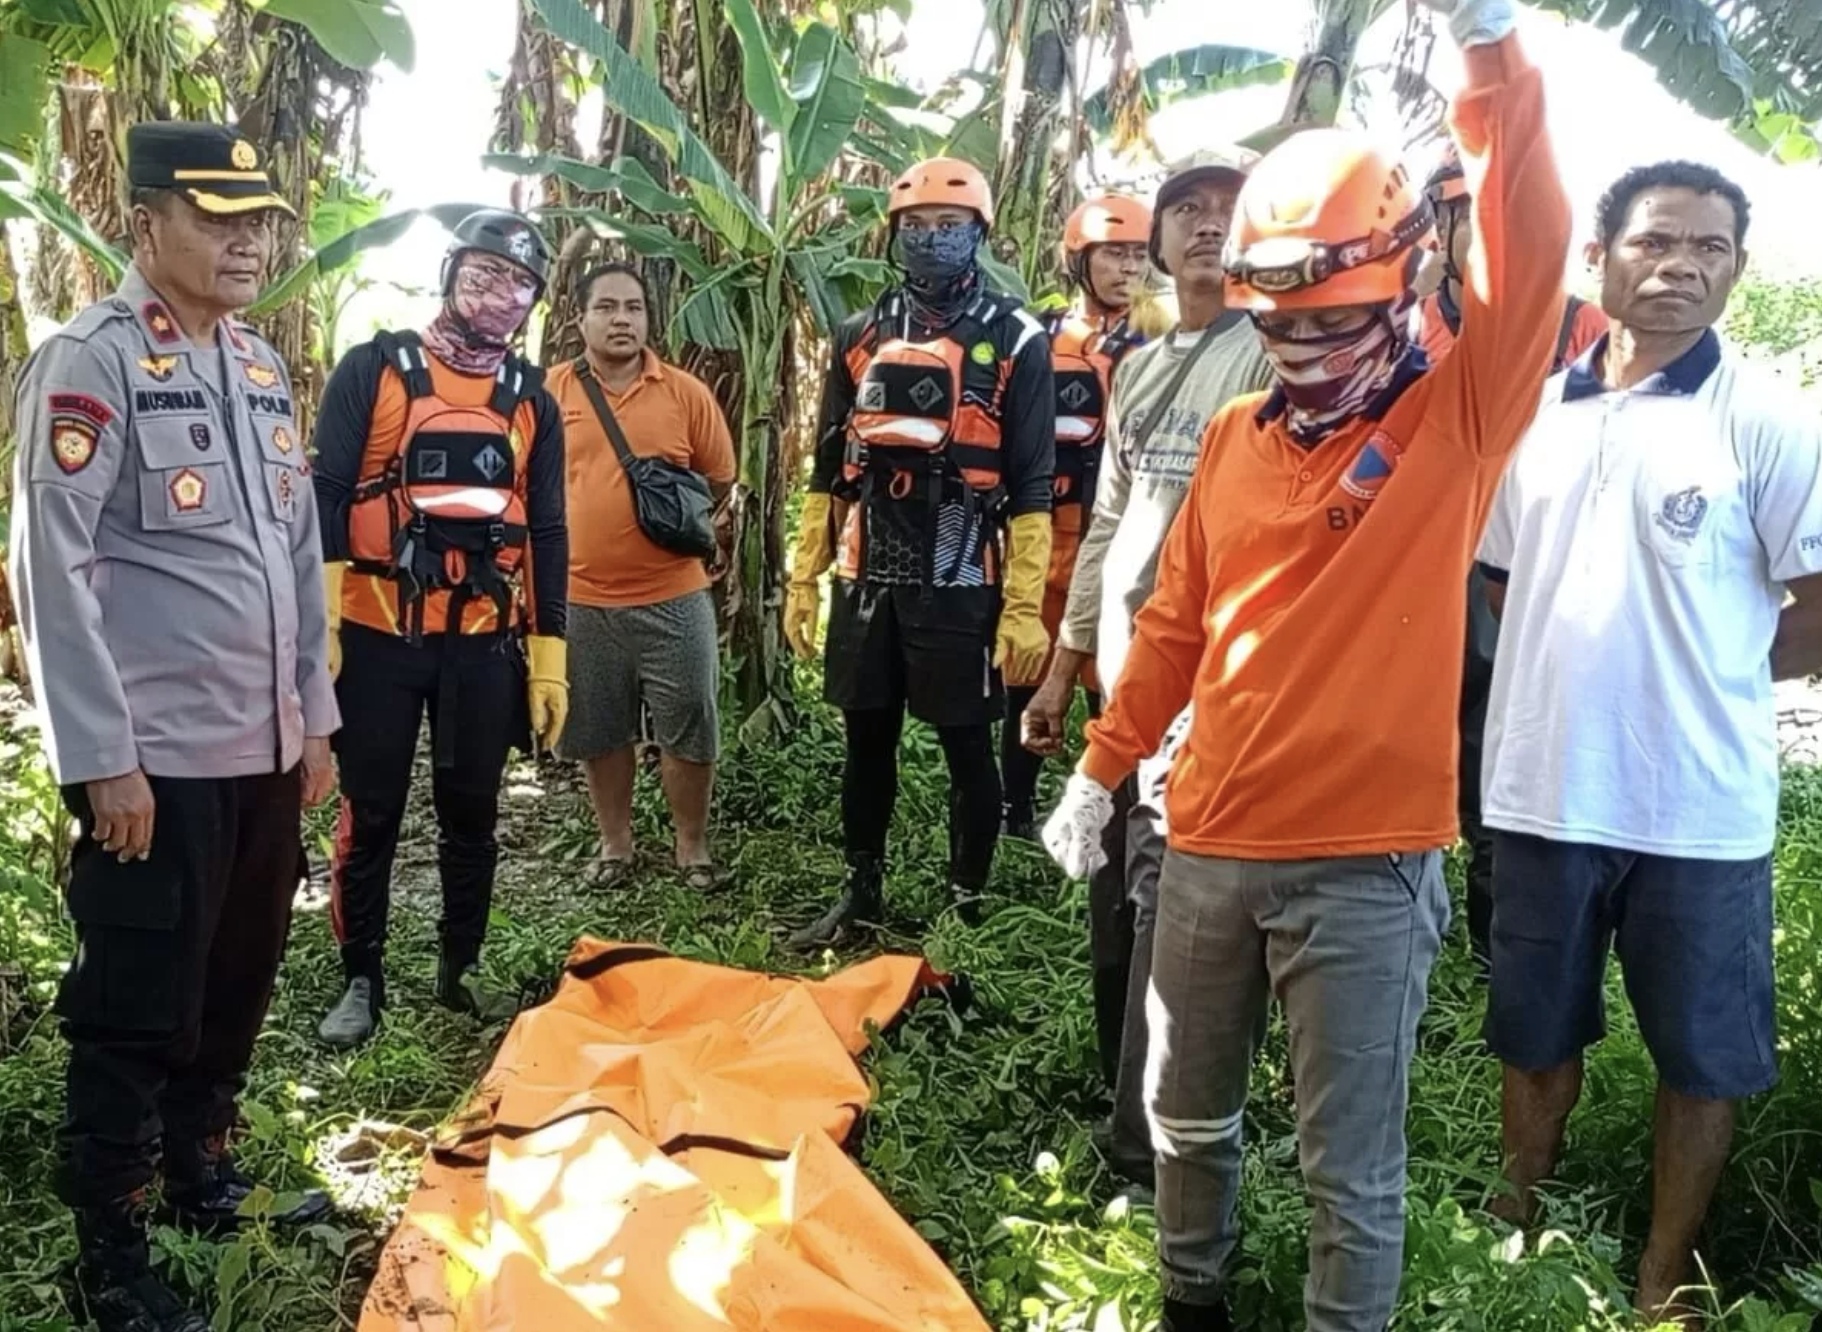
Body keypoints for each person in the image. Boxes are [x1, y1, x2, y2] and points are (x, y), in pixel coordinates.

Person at [1041, 0, 1572, 1324]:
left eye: (1332, 328)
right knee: (1183, 1113)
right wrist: (1101, 773)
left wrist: (1491, 55)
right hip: (1206, 837)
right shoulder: (1233, 434)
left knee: (1351, 1175)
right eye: (1280, 332)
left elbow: (1534, 242)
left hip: (1363, 867)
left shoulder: (1456, 414)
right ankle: (1189, 1301)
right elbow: (1175, 620)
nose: (1305, 356)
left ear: (1394, 286)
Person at [1475, 161, 1821, 1324]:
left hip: (1700, 810)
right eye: (1655, 242)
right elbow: (1493, 586)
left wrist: (1713, 677)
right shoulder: (1533, 416)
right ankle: (1512, 1220)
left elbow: (1815, 601)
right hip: (1541, 791)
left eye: (1709, 249)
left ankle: (1661, 1275)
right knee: (1533, 1033)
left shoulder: (1766, 421)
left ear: (1733, 268)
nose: (1679, 266)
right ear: (1600, 259)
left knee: (1701, 1058)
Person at [8, 121, 337, 1332]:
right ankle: (114, 1245)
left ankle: (201, 1172)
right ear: (148, 222)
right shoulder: (90, 363)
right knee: (136, 999)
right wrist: (103, 761)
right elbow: (51, 565)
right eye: (219, 217)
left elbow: (298, 557)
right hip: (156, 763)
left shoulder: (258, 369)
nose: (249, 238)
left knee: (237, 979)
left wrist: (314, 720)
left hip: (261, 750)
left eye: (259, 218)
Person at [1021, 150, 1271, 1188]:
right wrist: (1061, 667)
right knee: (1116, 907)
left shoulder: (1272, 354)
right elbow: (1112, 525)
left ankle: (1143, 1159)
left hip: (1214, 689)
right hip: (1127, 676)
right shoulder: (1149, 365)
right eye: (1188, 211)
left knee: (1176, 922)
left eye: (1231, 211)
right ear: (1154, 241)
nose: (1208, 225)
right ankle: (1118, 1096)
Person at [783, 156, 1056, 947]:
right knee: (866, 743)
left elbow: (1033, 481)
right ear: (894, 235)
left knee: (968, 745)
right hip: (870, 571)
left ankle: (962, 909)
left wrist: (1023, 609)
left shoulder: (1016, 337)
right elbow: (829, 470)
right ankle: (859, 894)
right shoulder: (858, 335)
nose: (932, 240)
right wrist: (805, 578)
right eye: (916, 227)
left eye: (950, 227)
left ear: (979, 234)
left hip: (963, 566)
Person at [312, 210, 570, 1049]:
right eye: (485, 274)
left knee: (473, 809)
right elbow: (325, 492)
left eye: (519, 283)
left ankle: (461, 967)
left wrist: (548, 657)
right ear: (453, 274)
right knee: (373, 807)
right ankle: (362, 976)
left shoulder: (532, 400)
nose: (500, 294)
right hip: (377, 633)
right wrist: (322, 621)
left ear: (533, 302)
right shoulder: (374, 369)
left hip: (482, 638)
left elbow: (550, 530)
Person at [1418, 138, 1608, 968]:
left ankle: (1500, 927)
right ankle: (1410, 894)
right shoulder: (1408, 322)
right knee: (1423, 724)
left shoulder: (1582, 326)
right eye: (1472, 218)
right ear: (1443, 224)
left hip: (1535, 555)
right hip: (1425, 549)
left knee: (1513, 729)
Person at [548, 262, 736, 889]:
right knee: (600, 726)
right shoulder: (552, 393)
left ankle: (692, 848)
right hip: (581, 597)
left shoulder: (684, 393)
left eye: (633, 307)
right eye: (606, 307)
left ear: (649, 319)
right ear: (580, 319)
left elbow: (718, 478)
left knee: (689, 720)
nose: (622, 318)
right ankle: (615, 845)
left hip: (674, 594)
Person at [999, 193, 1149, 842]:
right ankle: (1013, 810)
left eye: (1141, 255)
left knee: (1109, 675)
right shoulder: (1041, 333)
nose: (1128, 267)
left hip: (1122, 534)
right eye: (1114, 253)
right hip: (1045, 529)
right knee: (1025, 667)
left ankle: (1107, 812)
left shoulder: (1165, 338)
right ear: (1079, 260)